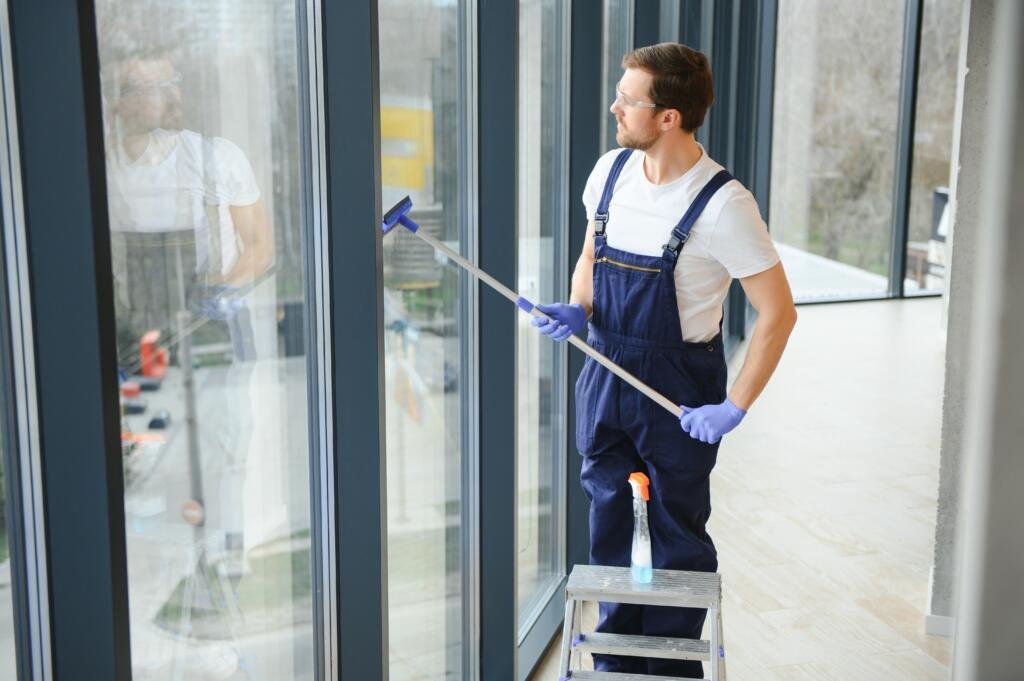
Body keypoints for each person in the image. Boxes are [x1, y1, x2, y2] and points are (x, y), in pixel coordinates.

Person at [533, 43, 797, 678]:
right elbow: (593, 255)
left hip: (679, 381)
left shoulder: (725, 205)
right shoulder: (611, 173)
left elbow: (778, 312)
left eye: (630, 99)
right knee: (609, 515)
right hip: (605, 369)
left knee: (674, 527)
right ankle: (618, 661)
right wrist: (577, 308)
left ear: (670, 116)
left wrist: (734, 406)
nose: (616, 107)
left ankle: (671, 666)